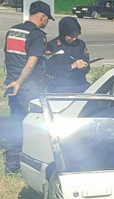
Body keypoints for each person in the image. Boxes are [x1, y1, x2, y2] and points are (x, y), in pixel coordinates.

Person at [3, 0, 53, 174]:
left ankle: (12, 164)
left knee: (17, 123)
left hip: (11, 84)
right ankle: (30, 164)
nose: (47, 22)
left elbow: (8, 58)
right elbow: (31, 63)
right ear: (41, 16)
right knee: (34, 126)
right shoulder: (37, 35)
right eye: (47, 19)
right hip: (27, 86)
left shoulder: (12, 31)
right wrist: (20, 82)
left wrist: (12, 81)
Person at [46, 17, 91, 93]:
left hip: (81, 84)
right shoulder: (52, 46)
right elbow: (49, 69)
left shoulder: (80, 44)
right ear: (64, 33)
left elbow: (87, 65)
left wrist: (84, 67)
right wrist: (71, 66)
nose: (74, 39)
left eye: (76, 36)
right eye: (71, 36)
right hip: (61, 86)